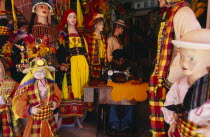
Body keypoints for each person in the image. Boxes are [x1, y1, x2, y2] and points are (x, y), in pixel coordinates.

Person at [148, 0, 201, 136]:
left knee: (177, 126)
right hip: (170, 80)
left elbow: (191, 46)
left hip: (176, 82)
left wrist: (172, 77)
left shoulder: (184, 13)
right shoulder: (174, 14)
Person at [161, 29, 210, 137]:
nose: (184, 62)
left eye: (192, 58)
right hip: (182, 131)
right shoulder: (179, 84)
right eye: (182, 56)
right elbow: (169, 103)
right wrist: (173, 121)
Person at [12, 57, 61, 137]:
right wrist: (30, 109)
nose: (39, 73)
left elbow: (58, 95)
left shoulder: (52, 85)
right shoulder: (27, 88)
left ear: (46, 72)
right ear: (31, 72)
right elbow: (20, 102)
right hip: (35, 121)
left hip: (50, 119)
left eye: (42, 70)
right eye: (36, 71)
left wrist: (55, 102)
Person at [57, 9, 89, 129]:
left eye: (74, 17)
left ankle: (79, 118)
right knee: (69, 90)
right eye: (70, 17)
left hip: (82, 65)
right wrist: (63, 63)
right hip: (71, 66)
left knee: (84, 90)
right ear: (66, 19)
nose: (73, 19)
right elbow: (59, 52)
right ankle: (62, 118)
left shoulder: (81, 34)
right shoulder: (62, 34)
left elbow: (85, 51)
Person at [103, 49, 143, 132]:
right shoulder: (109, 66)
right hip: (114, 90)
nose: (120, 63)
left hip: (127, 90)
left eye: (122, 60)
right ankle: (114, 124)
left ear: (124, 59)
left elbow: (139, 72)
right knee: (112, 103)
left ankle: (126, 124)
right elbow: (103, 78)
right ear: (113, 59)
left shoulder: (130, 64)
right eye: (118, 61)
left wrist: (139, 79)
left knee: (129, 103)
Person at [0, 57, 21, 137]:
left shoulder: (12, 83)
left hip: (5, 112)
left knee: (7, 131)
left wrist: (11, 100)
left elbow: (19, 96)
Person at [85, 13, 107, 81]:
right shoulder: (89, 37)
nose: (102, 26)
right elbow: (87, 52)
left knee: (103, 80)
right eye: (100, 24)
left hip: (103, 62)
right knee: (94, 81)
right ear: (95, 25)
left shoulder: (103, 38)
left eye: (103, 24)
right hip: (94, 63)